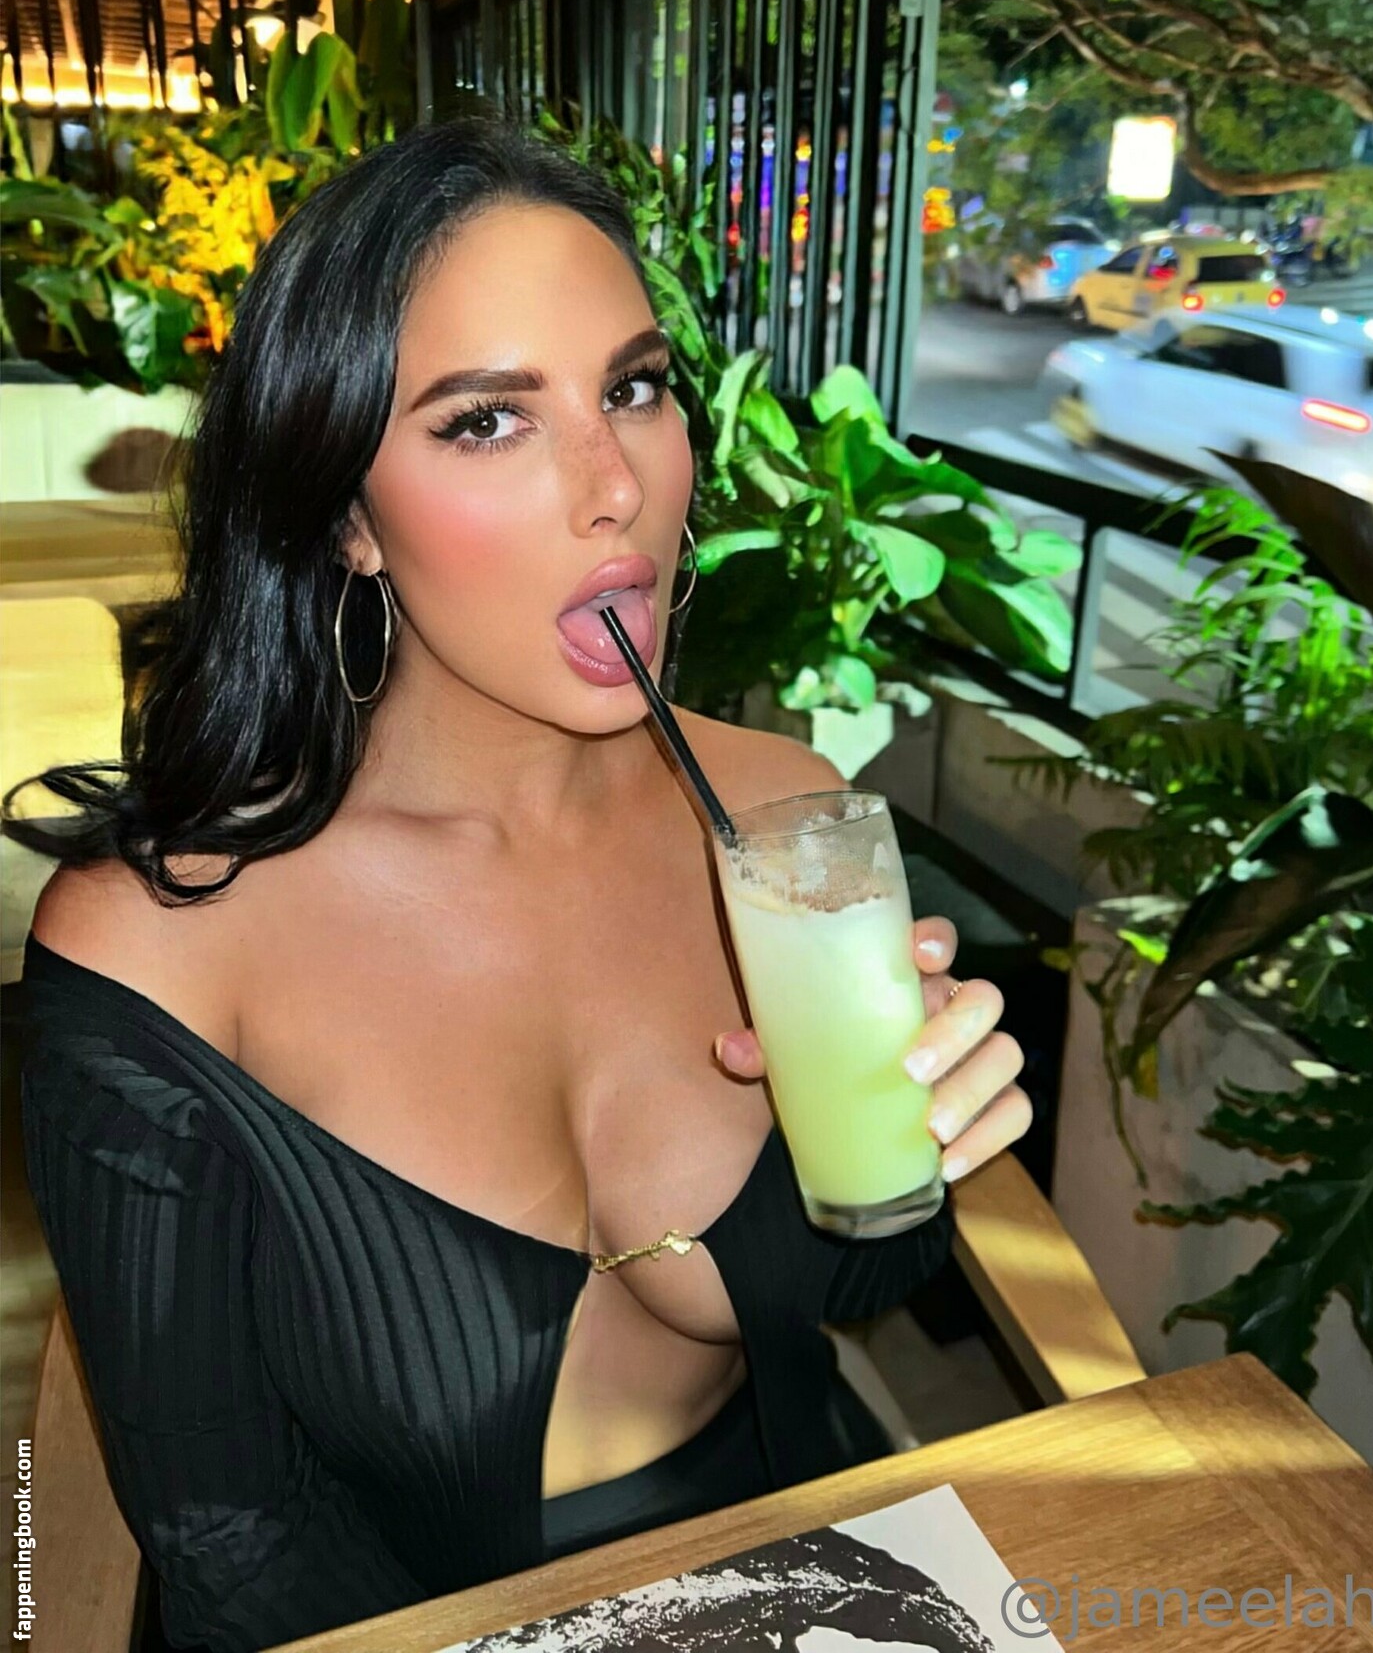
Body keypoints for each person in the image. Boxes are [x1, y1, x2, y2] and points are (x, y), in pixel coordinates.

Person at [5, 117, 1031, 1653]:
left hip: (795, 1578)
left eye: (633, 388)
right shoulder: (159, 948)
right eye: (487, 420)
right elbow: (228, 1535)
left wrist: (912, 1143)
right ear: (346, 515)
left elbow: (861, 1271)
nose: (613, 487)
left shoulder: (789, 821)